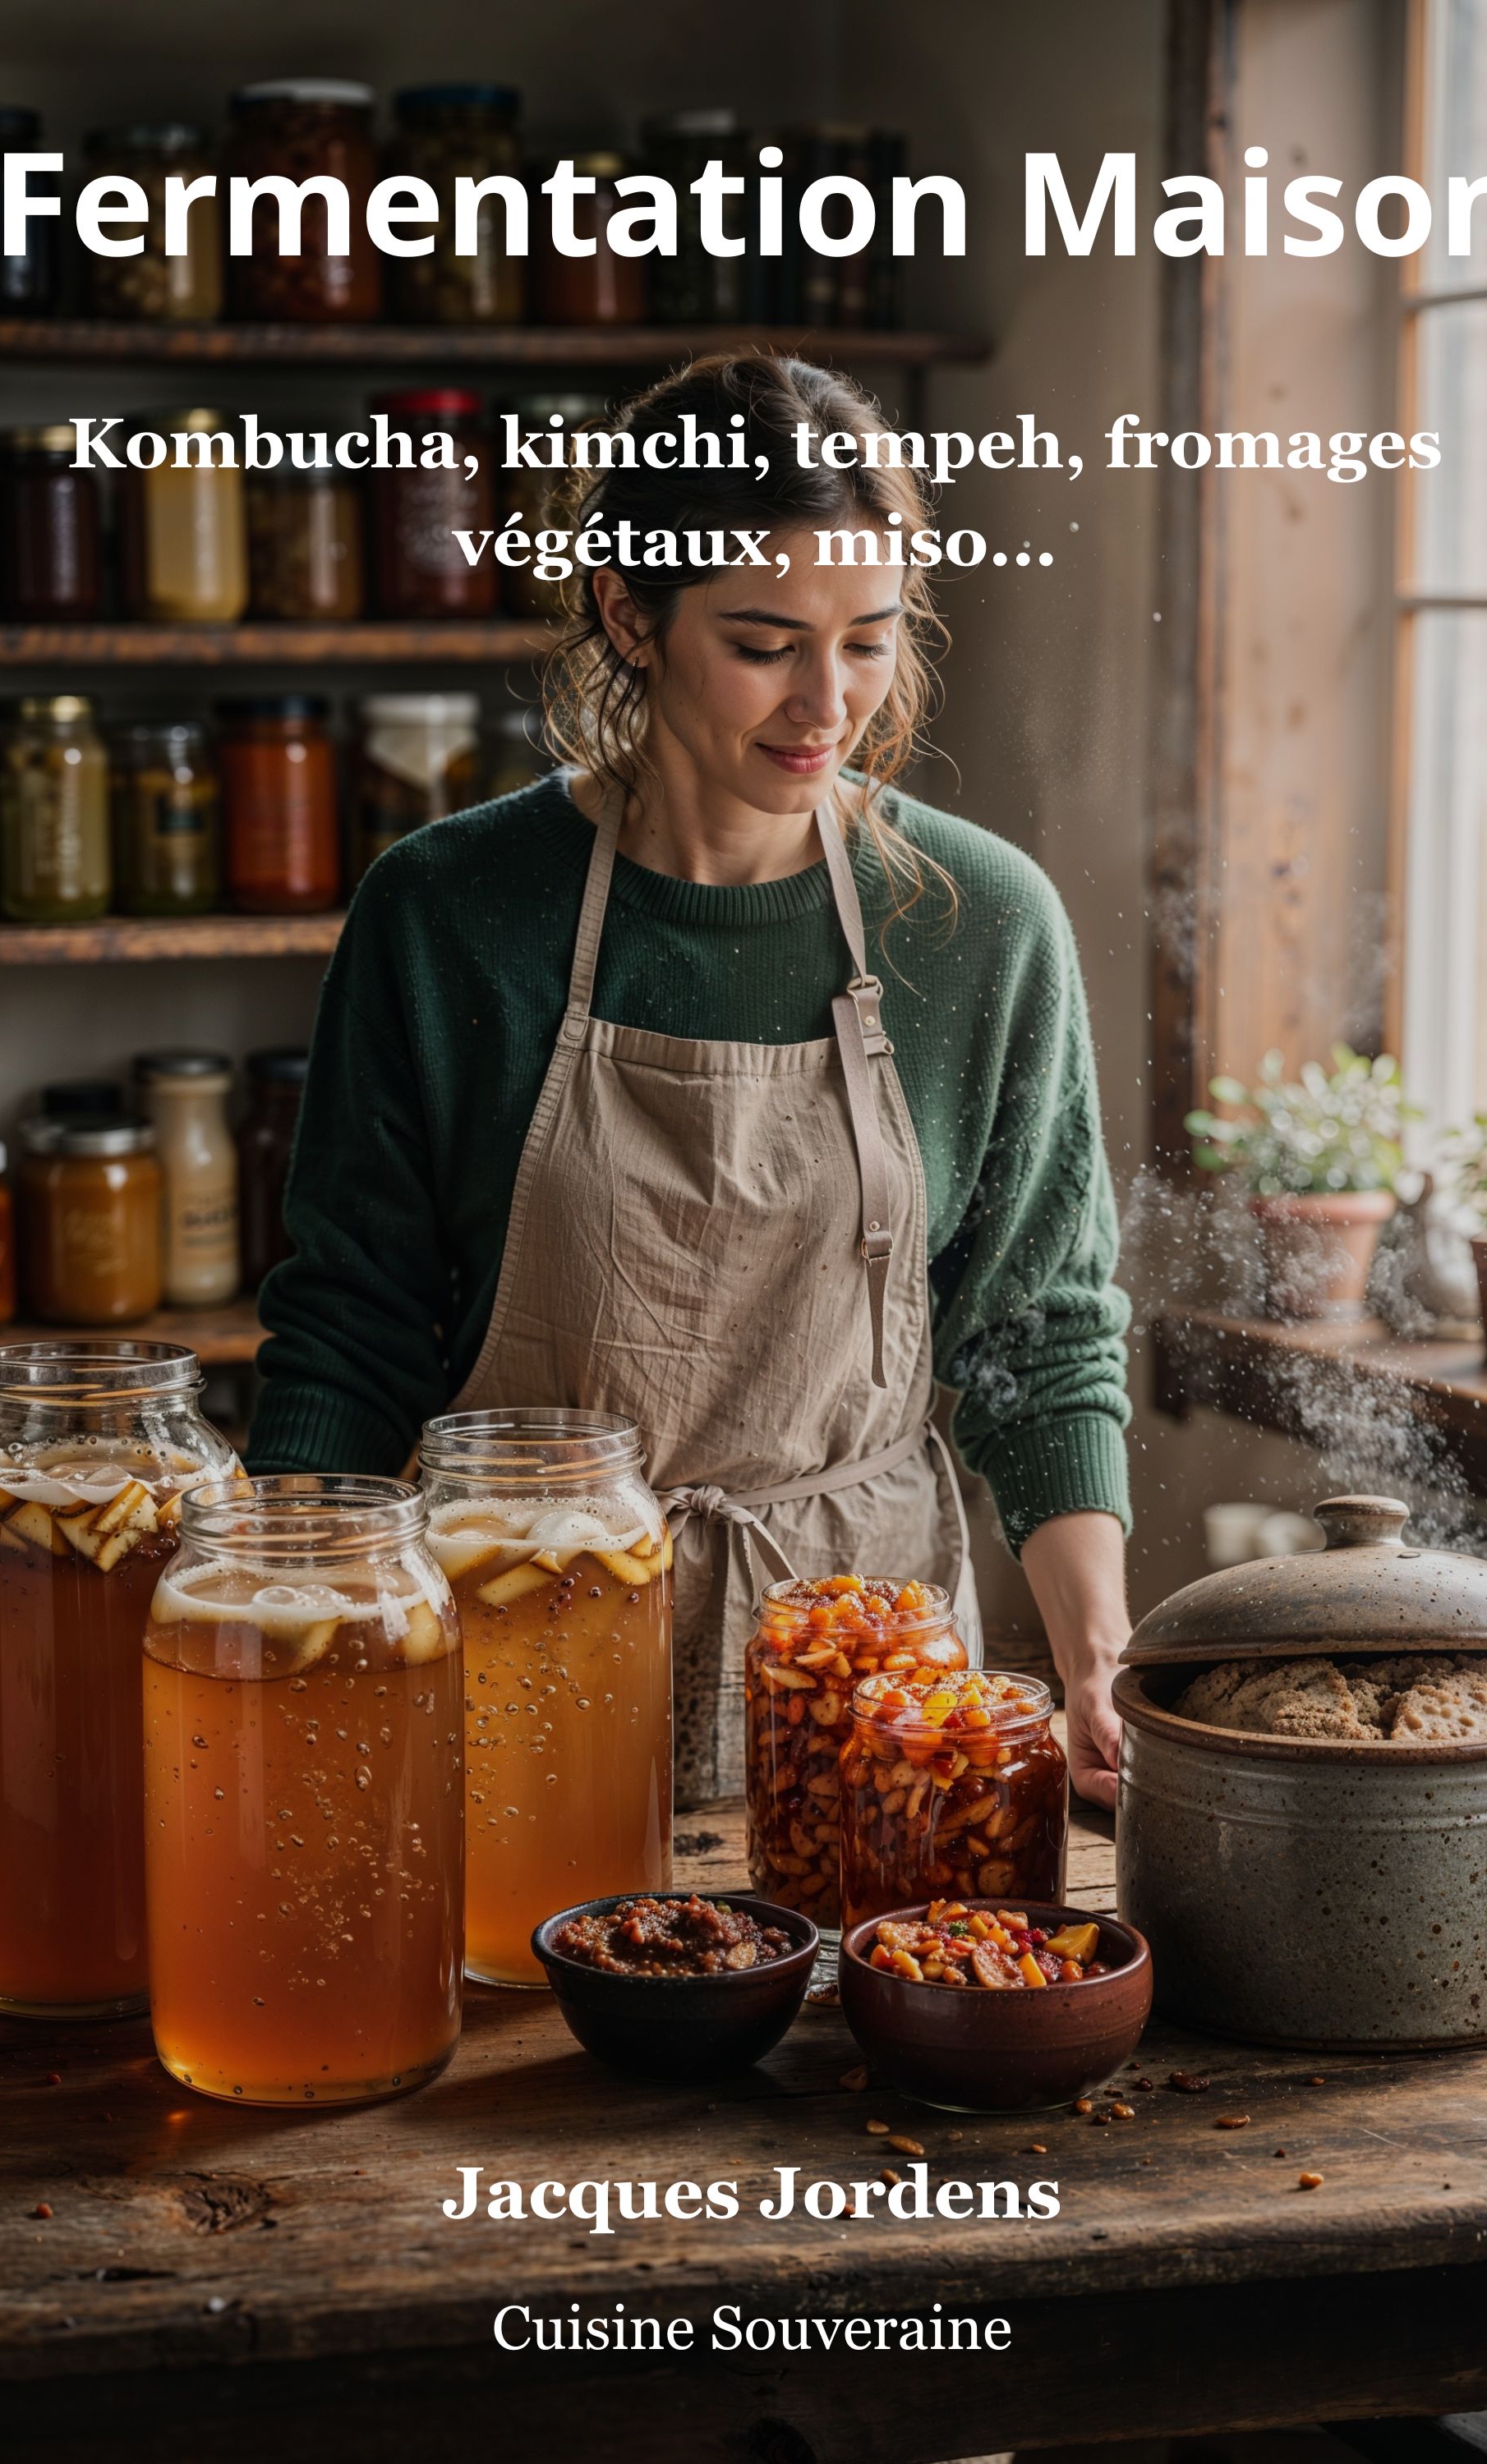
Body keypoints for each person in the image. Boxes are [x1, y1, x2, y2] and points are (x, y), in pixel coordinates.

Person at [249, 352, 1133, 1808]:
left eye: (870, 639)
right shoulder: (448, 911)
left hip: (870, 1678)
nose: (828, 702)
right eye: (766, 640)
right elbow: (350, 1328)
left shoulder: (980, 922)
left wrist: (1093, 1656)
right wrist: (284, 1619)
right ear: (629, 611)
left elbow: (1036, 1337)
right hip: (511, 1642)